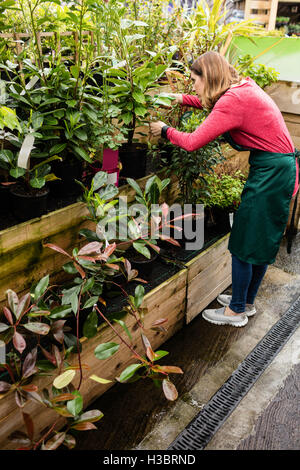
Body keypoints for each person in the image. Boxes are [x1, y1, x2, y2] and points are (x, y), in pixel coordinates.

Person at [150, 51, 300, 327]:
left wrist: (164, 130)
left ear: (208, 78)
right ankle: (246, 302)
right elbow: (215, 105)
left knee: (244, 240)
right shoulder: (239, 89)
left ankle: (236, 312)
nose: (193, 86)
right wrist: (182, 99)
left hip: (273, 174)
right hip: (277, 170)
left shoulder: (233, 100)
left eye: (195, 81)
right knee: (260, 239)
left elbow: (193, 141)